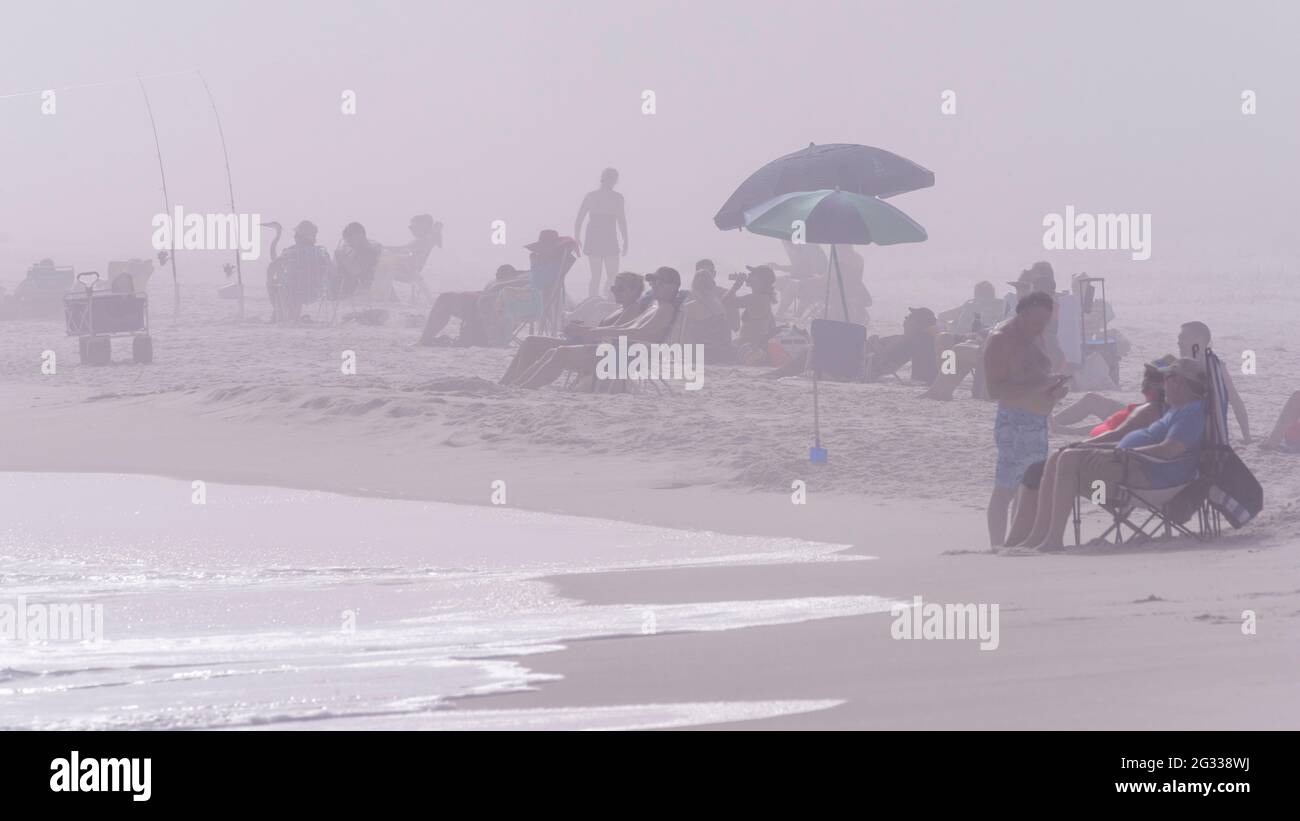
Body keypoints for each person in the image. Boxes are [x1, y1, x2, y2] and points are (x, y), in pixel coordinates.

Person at [1014, 358, 1209, 552]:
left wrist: (1120, 451)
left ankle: (1053, 539)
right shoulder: (1176, 410)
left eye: (1164, 378)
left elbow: (1169, 450)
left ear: (1178, 383)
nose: (1159, 385)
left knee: (1065, 459)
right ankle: (1038, 536)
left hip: (1144, 477)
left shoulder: (1189, 414)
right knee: (1058, 458)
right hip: (1128, 465)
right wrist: (1108, 449)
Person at [1005, 364, 1167, 545]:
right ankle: (1026, 539)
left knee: (1040, 472)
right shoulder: (1148, 409)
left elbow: (1119, 435)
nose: (1146, 382)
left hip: (1103, 487)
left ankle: (1031, 539)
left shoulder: (1150, 410)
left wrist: (1080, 446)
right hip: (1101, 470)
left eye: (1152, 378)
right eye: (1147, 377)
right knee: (1038, 471)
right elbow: (1114, 432)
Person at [504, 267, 681, 389]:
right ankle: (517, 385)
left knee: (560, 353)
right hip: (615, 352)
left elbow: (639, 333)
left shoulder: (665, 309)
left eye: (660, 282)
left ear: (673, 286)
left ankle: (522, 388)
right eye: (653, 282)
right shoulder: (655, 307)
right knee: (555, 352)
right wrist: (590, 331)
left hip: (621, 357)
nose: (654, 285)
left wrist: (592, 332)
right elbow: (629, 328)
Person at [983, 291, 1067, 547]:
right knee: (1005, 488)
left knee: (1028, 488)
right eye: (1036, 323)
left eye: (1045, 323)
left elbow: (1036, 376)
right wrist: (1041, 386)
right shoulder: (1002, 340)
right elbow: (995, 390)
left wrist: (1053, 390)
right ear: (1022, 315)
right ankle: (997, 545)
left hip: (1038, 422)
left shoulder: (1036, 336)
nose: (1040, 328)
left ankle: (1014, 541)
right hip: (1015, 422)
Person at [418, 264, 528, 347]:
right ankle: (426, 339)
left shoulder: (526, 279)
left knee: (445, 299)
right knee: (445, 299)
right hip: (485, 309)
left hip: (485, 310)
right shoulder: (527, 277)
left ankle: (426, 339)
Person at [1178, 321, 1251, 442]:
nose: (1179, 342)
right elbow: (1236, 401)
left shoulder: (1214, 368)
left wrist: (1247, 437)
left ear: (1199, 340)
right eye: (1179, 338)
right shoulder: (1216, 366)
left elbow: (1235, 401)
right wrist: (1247, 437)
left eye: (1183, 338)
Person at [574, 168, 628, 298]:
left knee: (611, 275)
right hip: (596, 235)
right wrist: (576, 236)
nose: (613, 182)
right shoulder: (593, 196)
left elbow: (621, 220)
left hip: (606, 235)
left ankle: (607, 298)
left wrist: (626, 240)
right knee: (598, 275)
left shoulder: (616, 197)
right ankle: (594, 299)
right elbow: (580, 218)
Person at [266, 220, 331, 323]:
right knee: (296, 285)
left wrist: (270, 281)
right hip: (315, 292)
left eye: (296, 234)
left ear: (298, 236)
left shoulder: (289, 253)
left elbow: (272, 267)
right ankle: (292, 316)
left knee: (277, 284)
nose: (294, 236)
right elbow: (330, 270)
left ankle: (280, 314)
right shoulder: (322, 253)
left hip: (292, 291)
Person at [725, 265, 778, 363]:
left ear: (760, 281)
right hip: (752, 345)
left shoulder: (756, 298)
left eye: (752, 274)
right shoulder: (764, 298)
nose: (749, 275)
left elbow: (725, 303)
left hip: (747, 347)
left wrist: (736, 286)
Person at [682, 268, 733, 363]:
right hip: (722, 352)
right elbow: (727, 335)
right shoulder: (718, 304)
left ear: (694, 286)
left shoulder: (690, 306)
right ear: (712, 285)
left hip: (704, 354)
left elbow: (684, 336)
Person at [332, 222, 381, 301]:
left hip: (361, 292)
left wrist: (343, 259)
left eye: (350, 240)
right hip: (350, 291)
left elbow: (359, 274)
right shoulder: (357, 250)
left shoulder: (369, 251)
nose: (349, 244)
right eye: (347, 241)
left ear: (360, 236)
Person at [940, 281, 1005, 334]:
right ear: (992, 293)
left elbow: (942, 315)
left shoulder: (971, 304)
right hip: (994, 337)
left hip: (966, 339)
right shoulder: (1002, 304)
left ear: (976, 293)